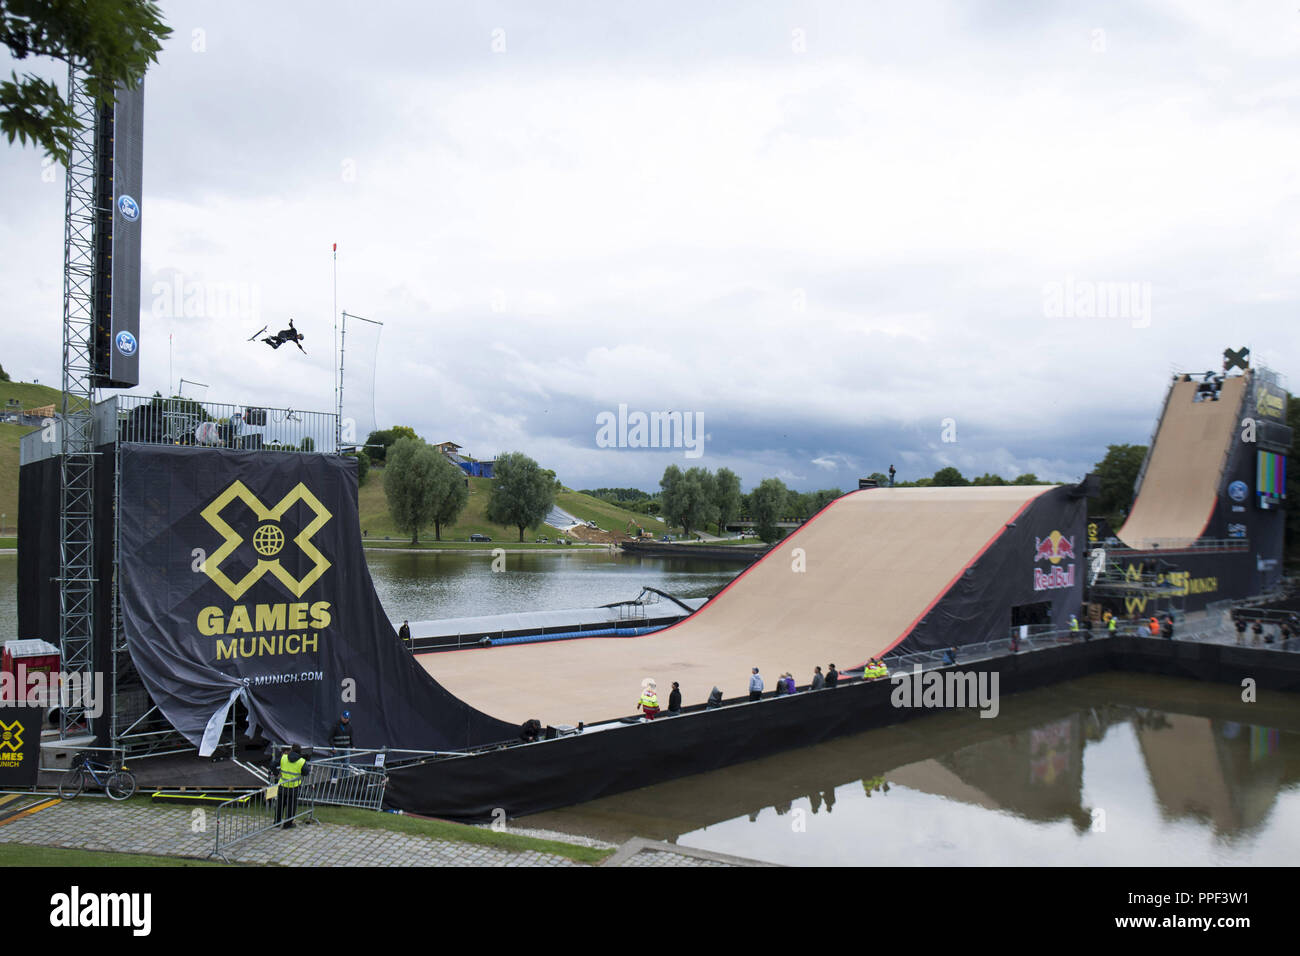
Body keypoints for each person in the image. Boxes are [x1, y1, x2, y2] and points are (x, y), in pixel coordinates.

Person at [275, 744, 307, 829]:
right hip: (294, 787)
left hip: (283, 785)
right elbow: (306, 772)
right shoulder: (302, 761)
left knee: (280, 805)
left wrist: (276, 773)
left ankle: (276, 822)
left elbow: (272, 764)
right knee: (291, 806)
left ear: (291, 750)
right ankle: (288, 824)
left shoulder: (284, 757)